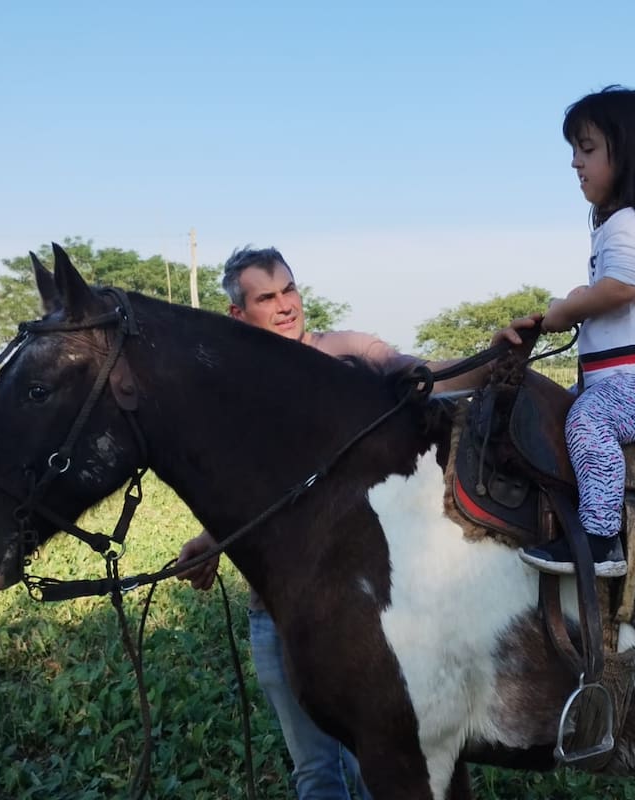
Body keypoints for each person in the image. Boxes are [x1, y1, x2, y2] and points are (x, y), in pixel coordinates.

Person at [177, 245, 390, 800]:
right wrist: (211, 540)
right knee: (316, 772)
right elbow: (252, 497)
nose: (284, 305)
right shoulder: (229, 398)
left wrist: (490, 359)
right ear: (237, 314)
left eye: (288, 290)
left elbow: (410, 372)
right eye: (266, 297)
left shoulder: (342, 355)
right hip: (276, 616)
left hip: (361, 610)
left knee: (378, 765)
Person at [503, 86, 635, 579]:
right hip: (617, 381)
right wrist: (569, 303)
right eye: (574, 151)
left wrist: (567, 309)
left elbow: (621, 288)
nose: (575, 164)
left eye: (586, 150)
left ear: (626, 154)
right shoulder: (622, 225)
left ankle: (599, 540)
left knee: (588, 425)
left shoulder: (629, 223)